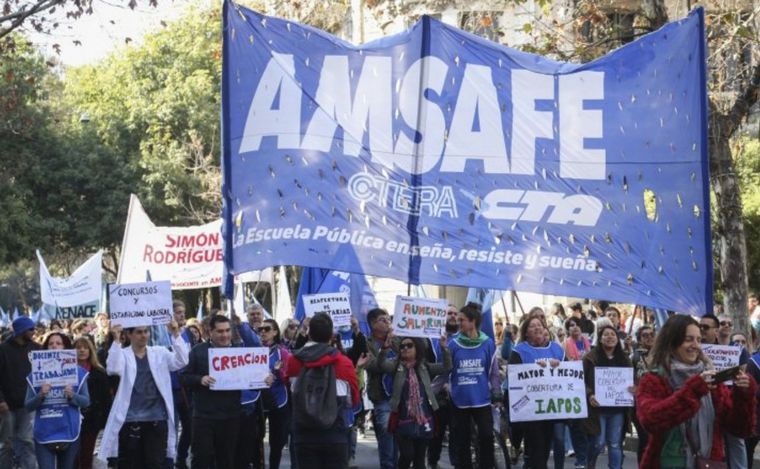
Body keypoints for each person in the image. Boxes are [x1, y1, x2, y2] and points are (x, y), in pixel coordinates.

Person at [637, 314, 757, 468]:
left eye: (699, 340)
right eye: (689, 339)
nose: (695, 345)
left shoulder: (710, 377)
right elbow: (650, 420)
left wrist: (744, 395)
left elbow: (739, 429)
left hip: (708, 463)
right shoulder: (654, 378)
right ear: (672, 342)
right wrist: (693, 391)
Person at [97, 320, 189, 468]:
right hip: (130, 420)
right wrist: (116, 340)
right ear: (129, 334)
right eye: (139, 332)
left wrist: (175, 334)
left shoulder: (160, 353)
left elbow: (182, 360)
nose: (144, 335)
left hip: (157, 419)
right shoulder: (123, 355)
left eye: (146, 331)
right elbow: (113, 368)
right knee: (131, 464)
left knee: (155, 464)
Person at [286, 312, 360, 469]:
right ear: (331, 335)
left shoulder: (293, 361)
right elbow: (353, 399)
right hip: (335, 433)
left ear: (309, 333)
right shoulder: (343, 363)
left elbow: (289, 391)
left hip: (303, 433)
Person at [372, 334, 451, 469]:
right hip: (402, 419)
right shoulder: (396, 366)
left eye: (409, 345)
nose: (405, 348)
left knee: (420, 460)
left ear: (417, 349)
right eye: (402, 346)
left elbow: (447, 367)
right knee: (407, 455)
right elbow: (381, 365)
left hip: (424, 419)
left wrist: (444, 348)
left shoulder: (424, 367)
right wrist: (384, 349)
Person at [182, 314, 248, 469]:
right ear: (210, 332)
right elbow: (184, 377)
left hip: (231, 416)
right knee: (201, 459)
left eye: (227, 330)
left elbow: (252, 379)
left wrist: (264, 379)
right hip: (204, 416)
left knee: (226, 460)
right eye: (220, 331)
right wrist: (200, 379)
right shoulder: (198, 351)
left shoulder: (240, 351)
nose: (224, 335)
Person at [25, 331, 90, 469]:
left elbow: (86, 401)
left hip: (69, 430)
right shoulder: (35, 375)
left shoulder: (78, 373)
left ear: (65, 348)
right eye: (51, 343)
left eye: (58, 343)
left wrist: (73, 396)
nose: (54, 346)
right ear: (46, 348)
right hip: (44, 432)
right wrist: (40, 396)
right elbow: (27, 406)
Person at [509, 315, 565, 469]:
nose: (537, 328)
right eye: (532, 326)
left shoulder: (557, 349)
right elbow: (513, 377)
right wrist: (534, 370)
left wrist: (558, 366)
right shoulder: (519, 351)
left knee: (545, 447)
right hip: (530, 409)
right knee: (537, 448)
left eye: (540, 325)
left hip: (552, 407)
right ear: (526, 332)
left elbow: (567, 376)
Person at [449, 303, 501, 469]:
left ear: (472, 322)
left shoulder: (488, 343)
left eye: (462, 320)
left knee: (486, 437)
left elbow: (493, 372)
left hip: (482, 399)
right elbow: (446, 372)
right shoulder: (453, 344)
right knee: (462, 440)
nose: (458, 323)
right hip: (460, 400)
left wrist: (497, 394)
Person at [583, 325, 632, 469]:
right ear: (600, 338)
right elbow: (581, 381)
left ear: (618, 339)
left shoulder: (624, 358)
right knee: (598, 442)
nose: (610, 337)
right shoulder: (590, 358)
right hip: (597, 410)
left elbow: (632, 380)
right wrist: (590, 394)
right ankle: (590, 463)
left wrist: (633, 388)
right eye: (606, 334)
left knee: (615, 443)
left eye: (613, 334)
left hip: (617, 410)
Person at [0, 316, 41, 469]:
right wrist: (1, 400)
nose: (34, 332)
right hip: (7, 406)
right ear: (21, 330)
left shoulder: (36, 348)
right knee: (7, 444)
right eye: (30, 329)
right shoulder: (3, 349)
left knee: (27, 441)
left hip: (28, 405)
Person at [364, 307, 398, 469]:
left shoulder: (397, 340)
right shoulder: (367, 343)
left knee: (400, 434)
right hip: (381, 395)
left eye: (388, 320)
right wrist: (385, 353)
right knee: (386, 432)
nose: (387, 323)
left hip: (399, 393)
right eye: (383, 320)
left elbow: (408, 358)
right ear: (372, 323)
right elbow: (373, 366)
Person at [428, 304, 460, 469]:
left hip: (458, 390)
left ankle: (456, 463)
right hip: (438, 391)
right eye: (449, 313)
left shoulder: (463, 337)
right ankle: (433, 461)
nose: (453, 316)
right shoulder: (433, 338)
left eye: (455, 313)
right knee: (438, 431)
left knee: (456, 430)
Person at [257, 318, 291, 469]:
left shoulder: (282, 352)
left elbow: (289, 376)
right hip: (259, 400)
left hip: (279, 400)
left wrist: (278, 372)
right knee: (256, 438)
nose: (263, 332)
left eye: (267, 329)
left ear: (275, 332)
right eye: (260, 329)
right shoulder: (253, 351)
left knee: (277, 441)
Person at [74, 336, 111, 469]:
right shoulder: (66, 372)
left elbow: (106, 399)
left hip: (91, 420)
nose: (82, 350)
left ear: (90, 351)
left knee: (86, 454)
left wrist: (104, 420)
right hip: (71, 419)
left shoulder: (99, 372)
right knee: (72, 456)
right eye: (78, 348)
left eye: (85, 348)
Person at [631, 325, 655, 465]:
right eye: (645, 335)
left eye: (652, 334)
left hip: (657, 402)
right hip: (639, 404)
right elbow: (627, 376)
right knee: (645, 438)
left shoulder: (662, 355)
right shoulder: (634, 356)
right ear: (639, 339)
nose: (649, 338)